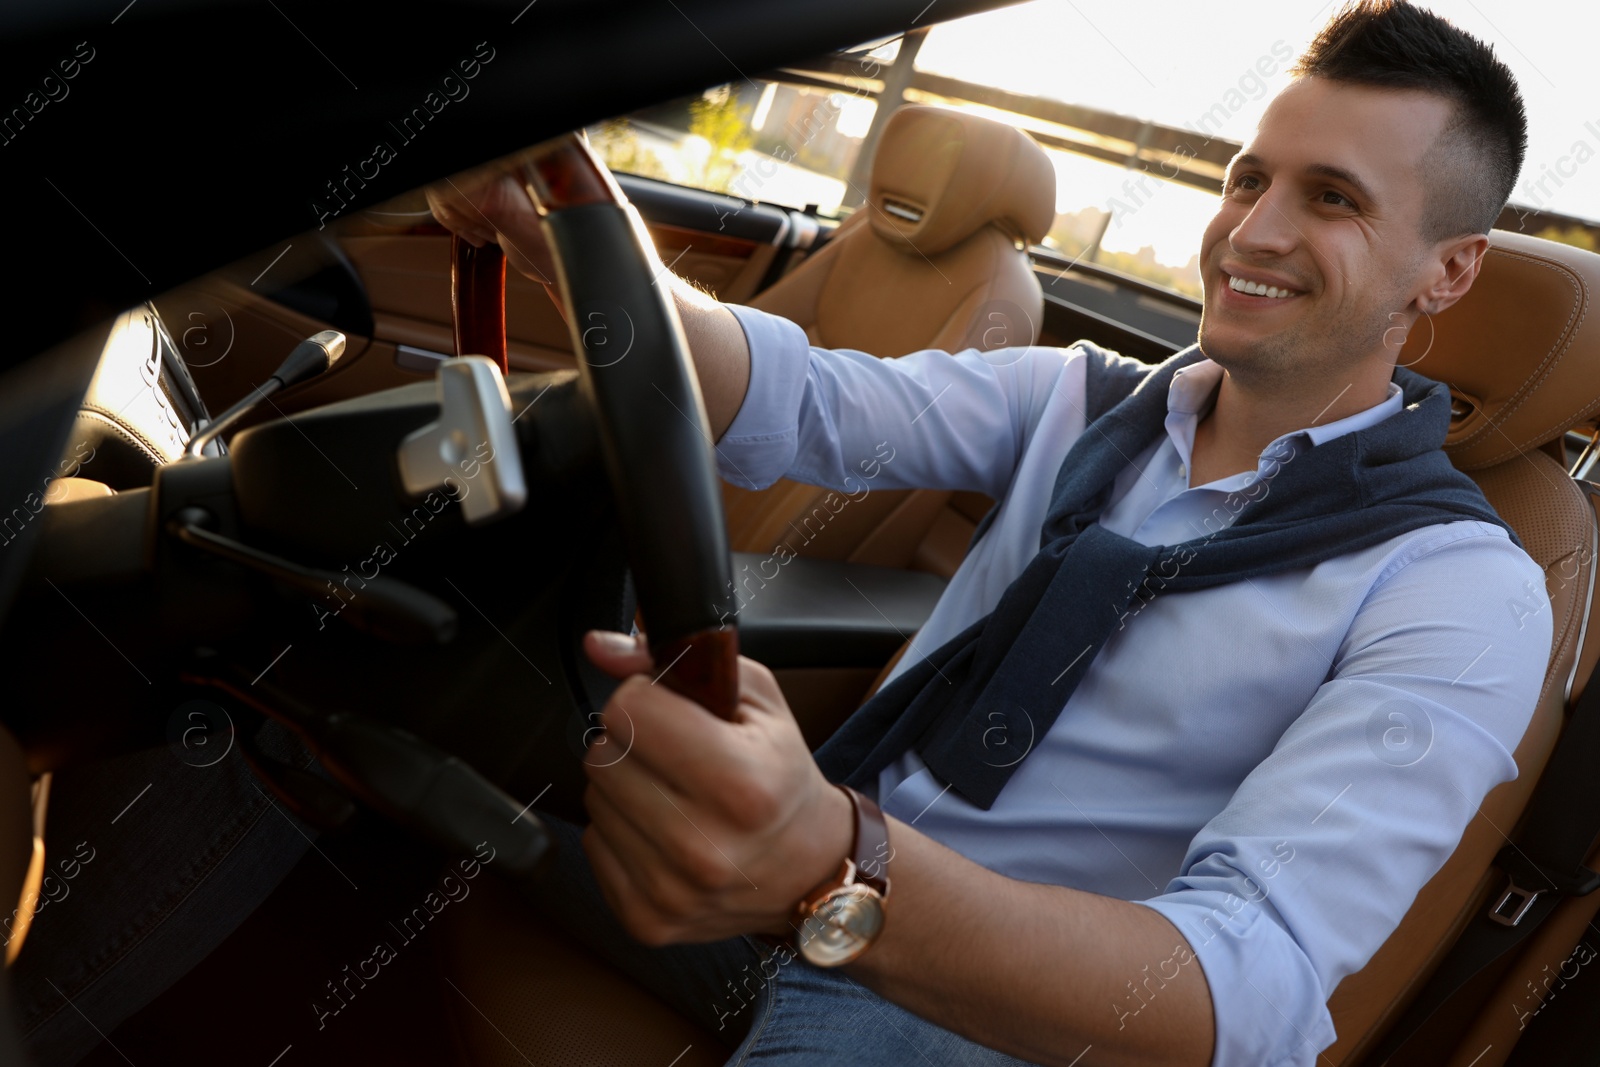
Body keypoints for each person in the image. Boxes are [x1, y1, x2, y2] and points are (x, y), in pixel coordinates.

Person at [430, 3, 1549, 1064]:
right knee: (396, 796)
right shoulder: (1078, 400)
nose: (1250, 231)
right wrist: (568, 228)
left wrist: (840, 863)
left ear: (1448, 268)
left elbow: (1240, 983)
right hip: (801, 882)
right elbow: (787, 399)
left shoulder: (1458, 591)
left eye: (1333, 199)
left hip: (994, 1017)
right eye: (1247, 178)